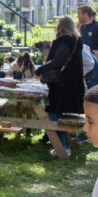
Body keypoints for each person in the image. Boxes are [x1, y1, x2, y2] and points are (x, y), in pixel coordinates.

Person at [35, 17, 85, 156]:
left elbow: (57, 61)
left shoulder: (65, 41)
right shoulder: (76, 41)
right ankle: (63, 146)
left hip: (62, 85)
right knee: (60, 114)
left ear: (61, 26)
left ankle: (63, 147)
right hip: (73, 83)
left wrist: (39, 70)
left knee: (54, 114)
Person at [77, 5, 98, 88]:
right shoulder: (82, 27)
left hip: (95, 63)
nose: (77, 17)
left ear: (85, 14)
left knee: (96, 88)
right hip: (84, 62)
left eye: (79, 14)